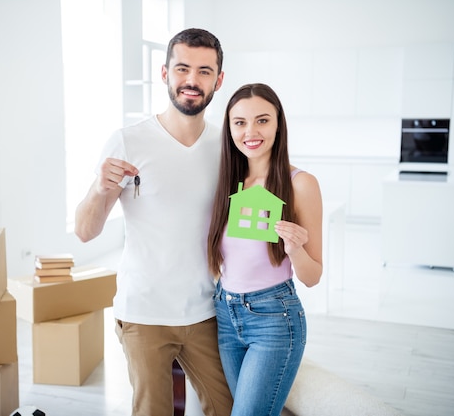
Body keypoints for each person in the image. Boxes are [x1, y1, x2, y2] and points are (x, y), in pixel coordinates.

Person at [74, 28, 233, 416]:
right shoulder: (129, 141)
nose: (192, 81)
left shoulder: (226, 146)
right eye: (182, 69)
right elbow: (85, 231)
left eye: (204, 71)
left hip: (205, 310)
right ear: (164, 74)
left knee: (227, 407)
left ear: (219, 79)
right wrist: (99, 188)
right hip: (144, 312)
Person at [207, 83, 323, 416]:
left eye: (262, 120)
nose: (250, 132)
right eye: (239, 122)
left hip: (274, 318)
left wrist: (294, 248)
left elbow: (313, 276)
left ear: (278, 124)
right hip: (225, 316)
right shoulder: (227, 180)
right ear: (229, 128)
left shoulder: (301, 183)